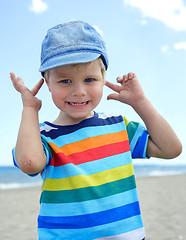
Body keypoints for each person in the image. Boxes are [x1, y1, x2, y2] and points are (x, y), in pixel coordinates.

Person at [10, 20, 182, 240]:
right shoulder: (43, 135)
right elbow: (30, 163)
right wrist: (29, 109)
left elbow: (171, 149)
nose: (79, 91)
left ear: (103, 79)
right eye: (65, 81)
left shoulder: (118, 126)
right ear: (47, 82)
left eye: (90, 79)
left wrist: (140, 102)